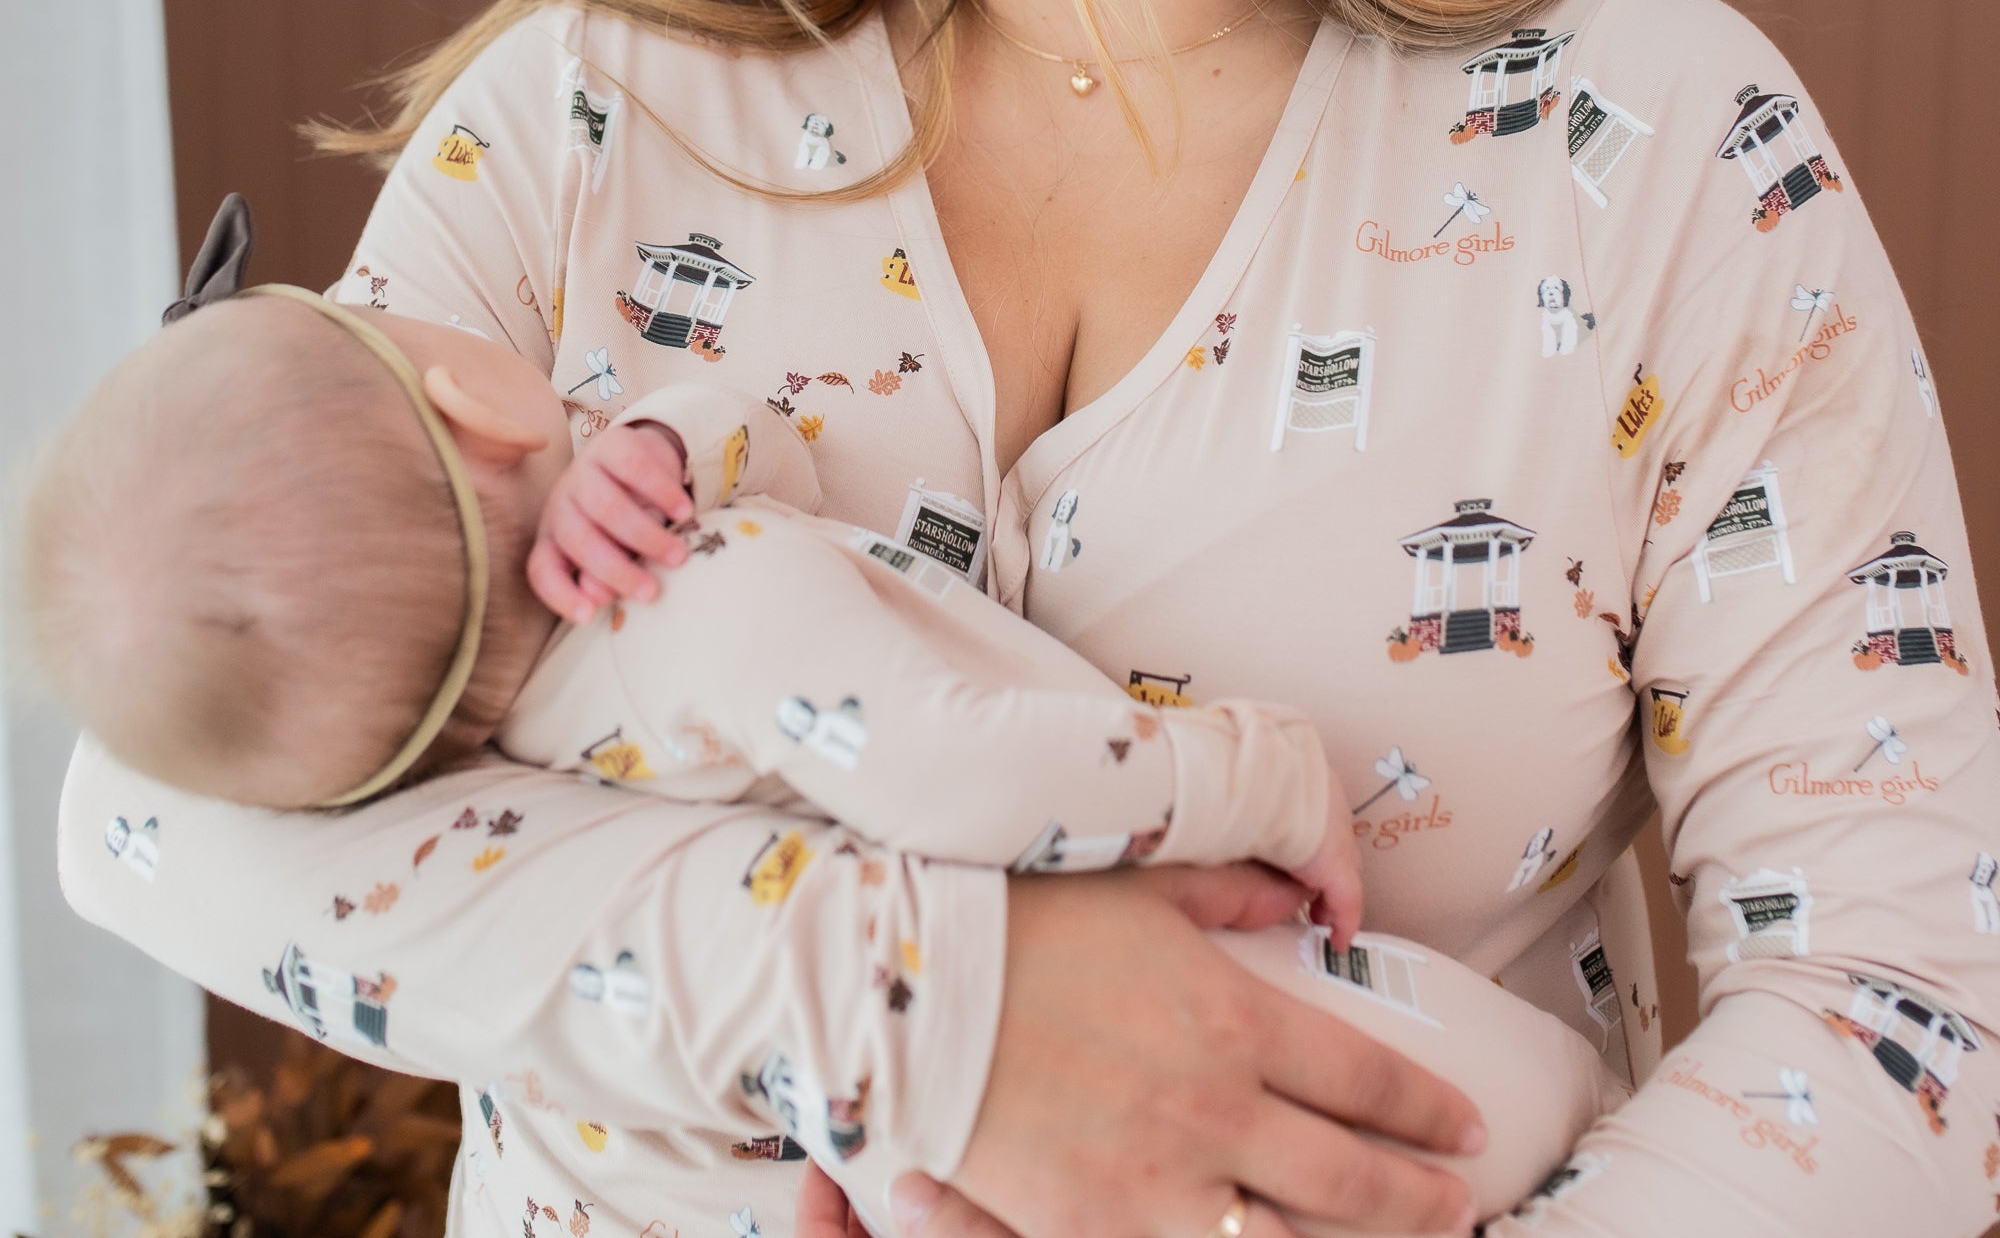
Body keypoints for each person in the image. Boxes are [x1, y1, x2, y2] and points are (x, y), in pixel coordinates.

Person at [56, 0, 2000, 1234]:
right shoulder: (591, 111)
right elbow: (152, 812)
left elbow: (1898, 1013)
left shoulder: (1657, 145)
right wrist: (935, 1015)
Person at [23, 263, 1624, 1233]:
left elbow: (758, 439)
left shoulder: (509, 792)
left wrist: (655, 433)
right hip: (1258, 1014)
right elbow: (965, 772)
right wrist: (1255, 771)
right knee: (1548, 1111)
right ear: (485, 403)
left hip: (936, 1172)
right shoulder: (711, 600)